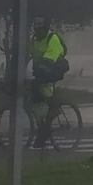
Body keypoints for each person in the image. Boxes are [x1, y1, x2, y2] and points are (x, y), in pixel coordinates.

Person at [30, 17, 69, 147]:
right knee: (35, 94)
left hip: (55, 68)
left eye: (40, 24)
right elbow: (27, 56)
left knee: (45, 90)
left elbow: (49, 58)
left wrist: (39, 71)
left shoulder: (53, 38)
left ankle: (53, 110)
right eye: (35, 24)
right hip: (42, 69)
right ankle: (42, 122)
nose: (37, 27)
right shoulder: (34, 40)